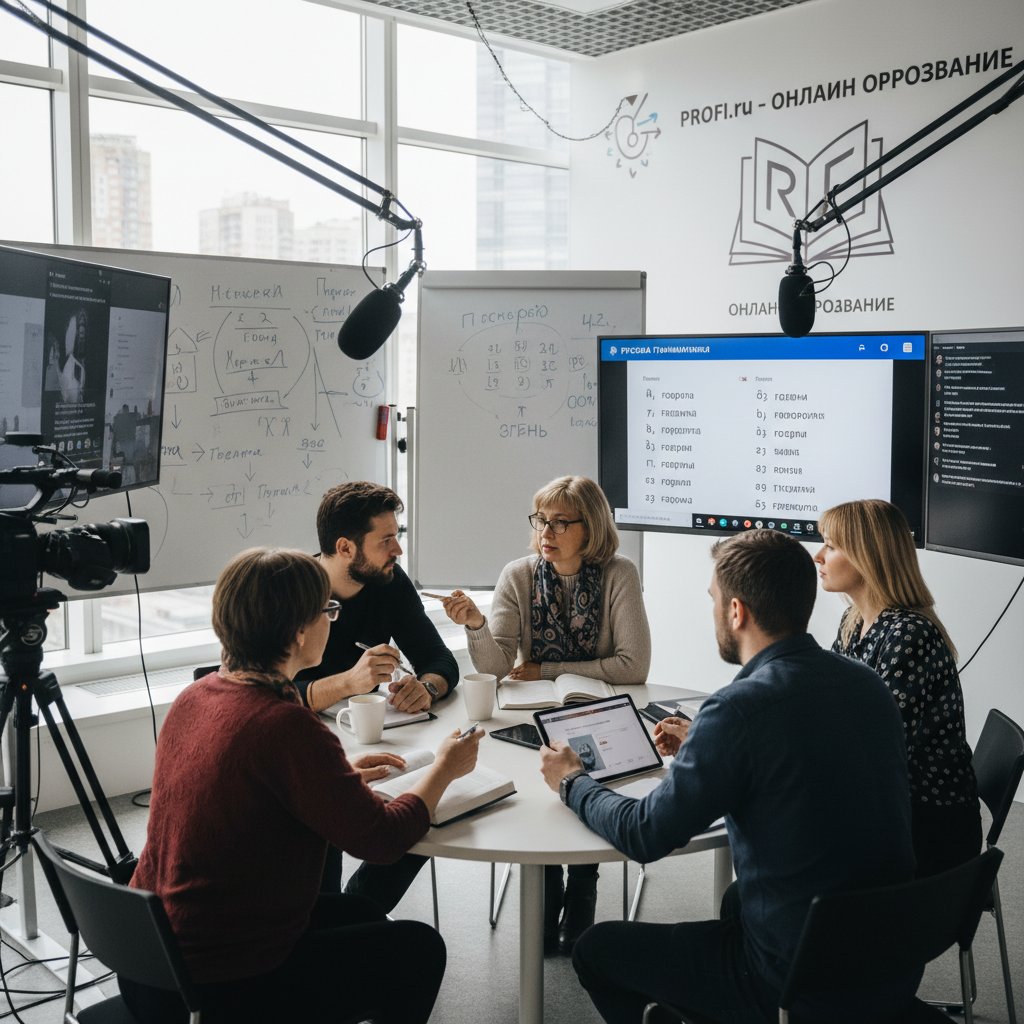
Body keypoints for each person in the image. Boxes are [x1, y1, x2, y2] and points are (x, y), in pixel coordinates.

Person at [541, 529, 918, 1024]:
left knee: (598, 950)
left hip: (795, 978)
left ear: (736, 612)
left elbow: (646, 833)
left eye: (715, 600)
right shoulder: (865, 683)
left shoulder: (739, 710)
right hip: (888, 955)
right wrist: (708, 740)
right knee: (737, 900)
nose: (714, 611)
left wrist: (573, 782)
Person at [123, 547, 483, 1024]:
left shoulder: (196, 696)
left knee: (360, 914)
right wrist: (444, 768)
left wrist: (337, 778)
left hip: (152, 954)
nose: (333, 620)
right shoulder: (285, 725)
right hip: (223, 981)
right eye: (328, 610)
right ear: (298, 632)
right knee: (419, 948)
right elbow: (382, 842)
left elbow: (241, 790)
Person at [441, 474, 650, 956]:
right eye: (540, 521)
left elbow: (633, 664)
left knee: (587, 768)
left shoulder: (620, 574)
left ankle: (583, 885)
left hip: (599, 715)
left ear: (591, 527)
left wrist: (547, 668)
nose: (545, 533)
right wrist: (476, 624)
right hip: (534, 719)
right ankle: (547, 882)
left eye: (560, 522)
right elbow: (497, 667)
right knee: (539, 781)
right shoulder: (518, 574)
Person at [294, 480, 460, 909]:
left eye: (397, 536)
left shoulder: (389, 581)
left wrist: (425, 688)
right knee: (325, 823)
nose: (398, 550)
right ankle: (329, 916)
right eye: (386, 540)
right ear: (346, 547)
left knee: (421, 806)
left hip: (371, 740)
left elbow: (441, 662)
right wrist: (348, 683)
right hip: (301, 747)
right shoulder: (292, 590)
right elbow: (265, 693)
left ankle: (357, 911)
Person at [815, 498, 982, 877]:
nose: (818, 556)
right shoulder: (854, 621)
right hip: (885, 808)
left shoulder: (909, 635)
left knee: (777, 875)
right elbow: (821, 706)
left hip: (926, 827)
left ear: (866, 556)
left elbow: (875, 751)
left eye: (831, 545)